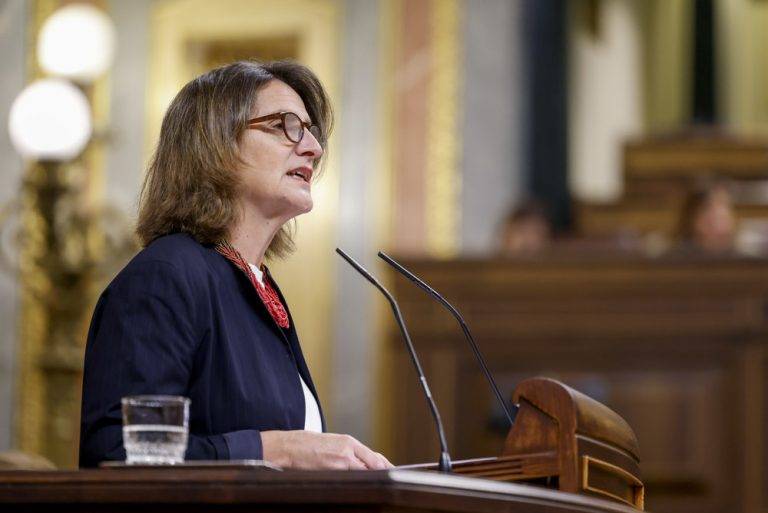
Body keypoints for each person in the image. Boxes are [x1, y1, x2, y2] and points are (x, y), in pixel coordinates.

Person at [79, 61, 391, 470]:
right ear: (216, 144)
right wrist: (275, 450)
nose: (313, 147)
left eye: (311, 131)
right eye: (285, 125)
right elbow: (119, 455)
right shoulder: (166, 276)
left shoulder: (253, 284)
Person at [676, 182, 737, 254]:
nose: (720, 227)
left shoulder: (743, 259)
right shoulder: (674, 260)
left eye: (723, 219)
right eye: (711, 220)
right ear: (692, 219)